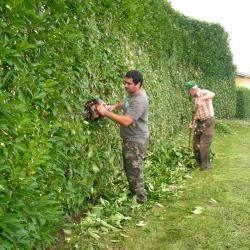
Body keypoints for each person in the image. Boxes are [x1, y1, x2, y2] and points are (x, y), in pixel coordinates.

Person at [97, 70, 149, 203]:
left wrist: (106, 113)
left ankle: (140, 199)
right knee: (130, 169)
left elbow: (126, 120)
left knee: (134, 171)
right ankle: (135, 196)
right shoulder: (132, 95)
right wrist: (113, 106)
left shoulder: (139, 101)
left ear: (138, 84)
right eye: (124, 83)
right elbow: (125, 102)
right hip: (130, 139)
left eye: (129, 83)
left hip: (136, 141)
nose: (125, 86)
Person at [184, 80, 215, 171]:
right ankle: (199, 162)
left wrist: (202, 99)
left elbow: (213, 94)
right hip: (200, 122)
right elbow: (197, 113)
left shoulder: (203, 92)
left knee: (204, 144)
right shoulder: (194, 98)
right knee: (195, 143)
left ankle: (205, 166)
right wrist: (192, 123)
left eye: (189, 91)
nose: (189, 93)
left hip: (208, 121)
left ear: (193, 89)